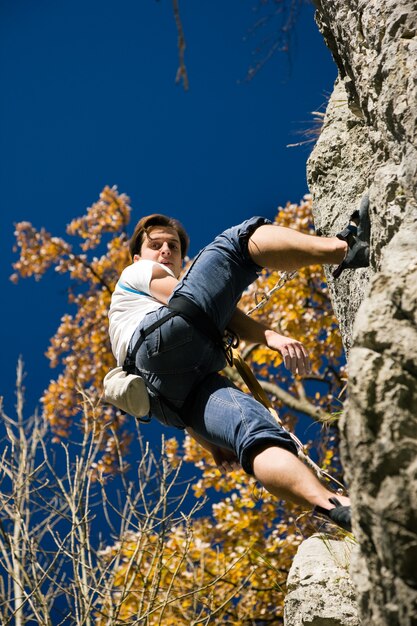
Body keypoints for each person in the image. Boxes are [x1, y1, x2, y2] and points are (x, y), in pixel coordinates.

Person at [108, 204, 370, 532]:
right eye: (156, 244)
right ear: (137, 257)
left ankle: (336, 507)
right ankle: (344, 247)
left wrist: (212, 444)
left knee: (257, 436)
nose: (165, 251)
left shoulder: (130, 310)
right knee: (236, 244)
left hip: (169, 399)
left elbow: (196, 315)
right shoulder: (137, 274)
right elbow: (191, 305)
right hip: (160, 340)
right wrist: (271, 337)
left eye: (173, 246)